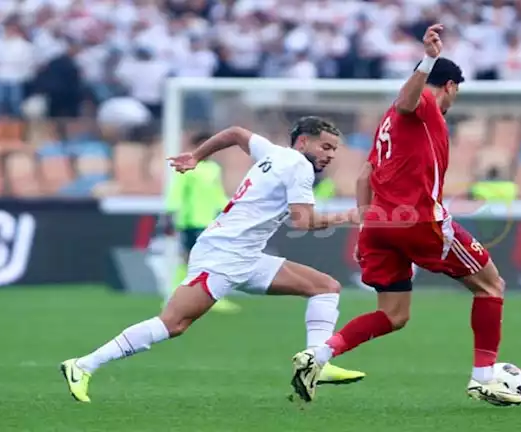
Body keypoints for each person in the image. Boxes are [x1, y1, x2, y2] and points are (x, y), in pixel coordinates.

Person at [289, 25, 521, 407]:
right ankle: (484, 378)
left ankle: (317, 355)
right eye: (456, 92)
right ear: (449, 86)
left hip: (382, 226)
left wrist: (369, 226)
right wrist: (428, 59)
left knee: (394, 314)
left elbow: (366, 175)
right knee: (490, 285)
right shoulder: (423, 105)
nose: (454, 100)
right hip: (419, 221)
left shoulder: (388, 124)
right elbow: (407, 101)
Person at [60, 117, 365, 403]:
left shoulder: (272, 152)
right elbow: (302, 221)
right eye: (325, 147)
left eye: (334, 149)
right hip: (223, 255)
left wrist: (196, 155)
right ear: (302, 143)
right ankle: (83, 365)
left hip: (244, 255)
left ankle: (315, 361)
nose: (331, 155)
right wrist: (350, 216)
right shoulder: (299, 166)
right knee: (173, 323)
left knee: (325, 287)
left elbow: (235, 133)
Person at [164, 132, 240, 313]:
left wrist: (231, 208)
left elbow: (217, 194)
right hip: (190, 221)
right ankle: (175, 296)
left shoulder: (214, 169)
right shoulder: (188, 168)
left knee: (210, 260)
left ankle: (210, 297)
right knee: (189, 260)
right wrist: (170, 215)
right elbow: (176, 193)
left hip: (209, 221)